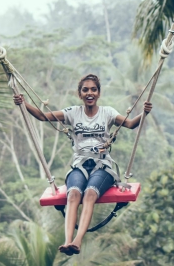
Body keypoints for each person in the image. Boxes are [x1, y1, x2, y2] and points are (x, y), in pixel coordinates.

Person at [13, 73, 152, 255]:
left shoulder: (108, 113)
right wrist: (23, 103)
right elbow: (42, 116)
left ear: (98, 93)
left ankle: (77, 241)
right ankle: (67, 241)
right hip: (79, 165)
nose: (89, 93)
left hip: (103, 166)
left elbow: (132, 124)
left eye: (93, 89)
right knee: (73, 195)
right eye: (85, 90)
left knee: (89, 194)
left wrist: (144, 113)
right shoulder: (72, 113)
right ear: (80, 94)